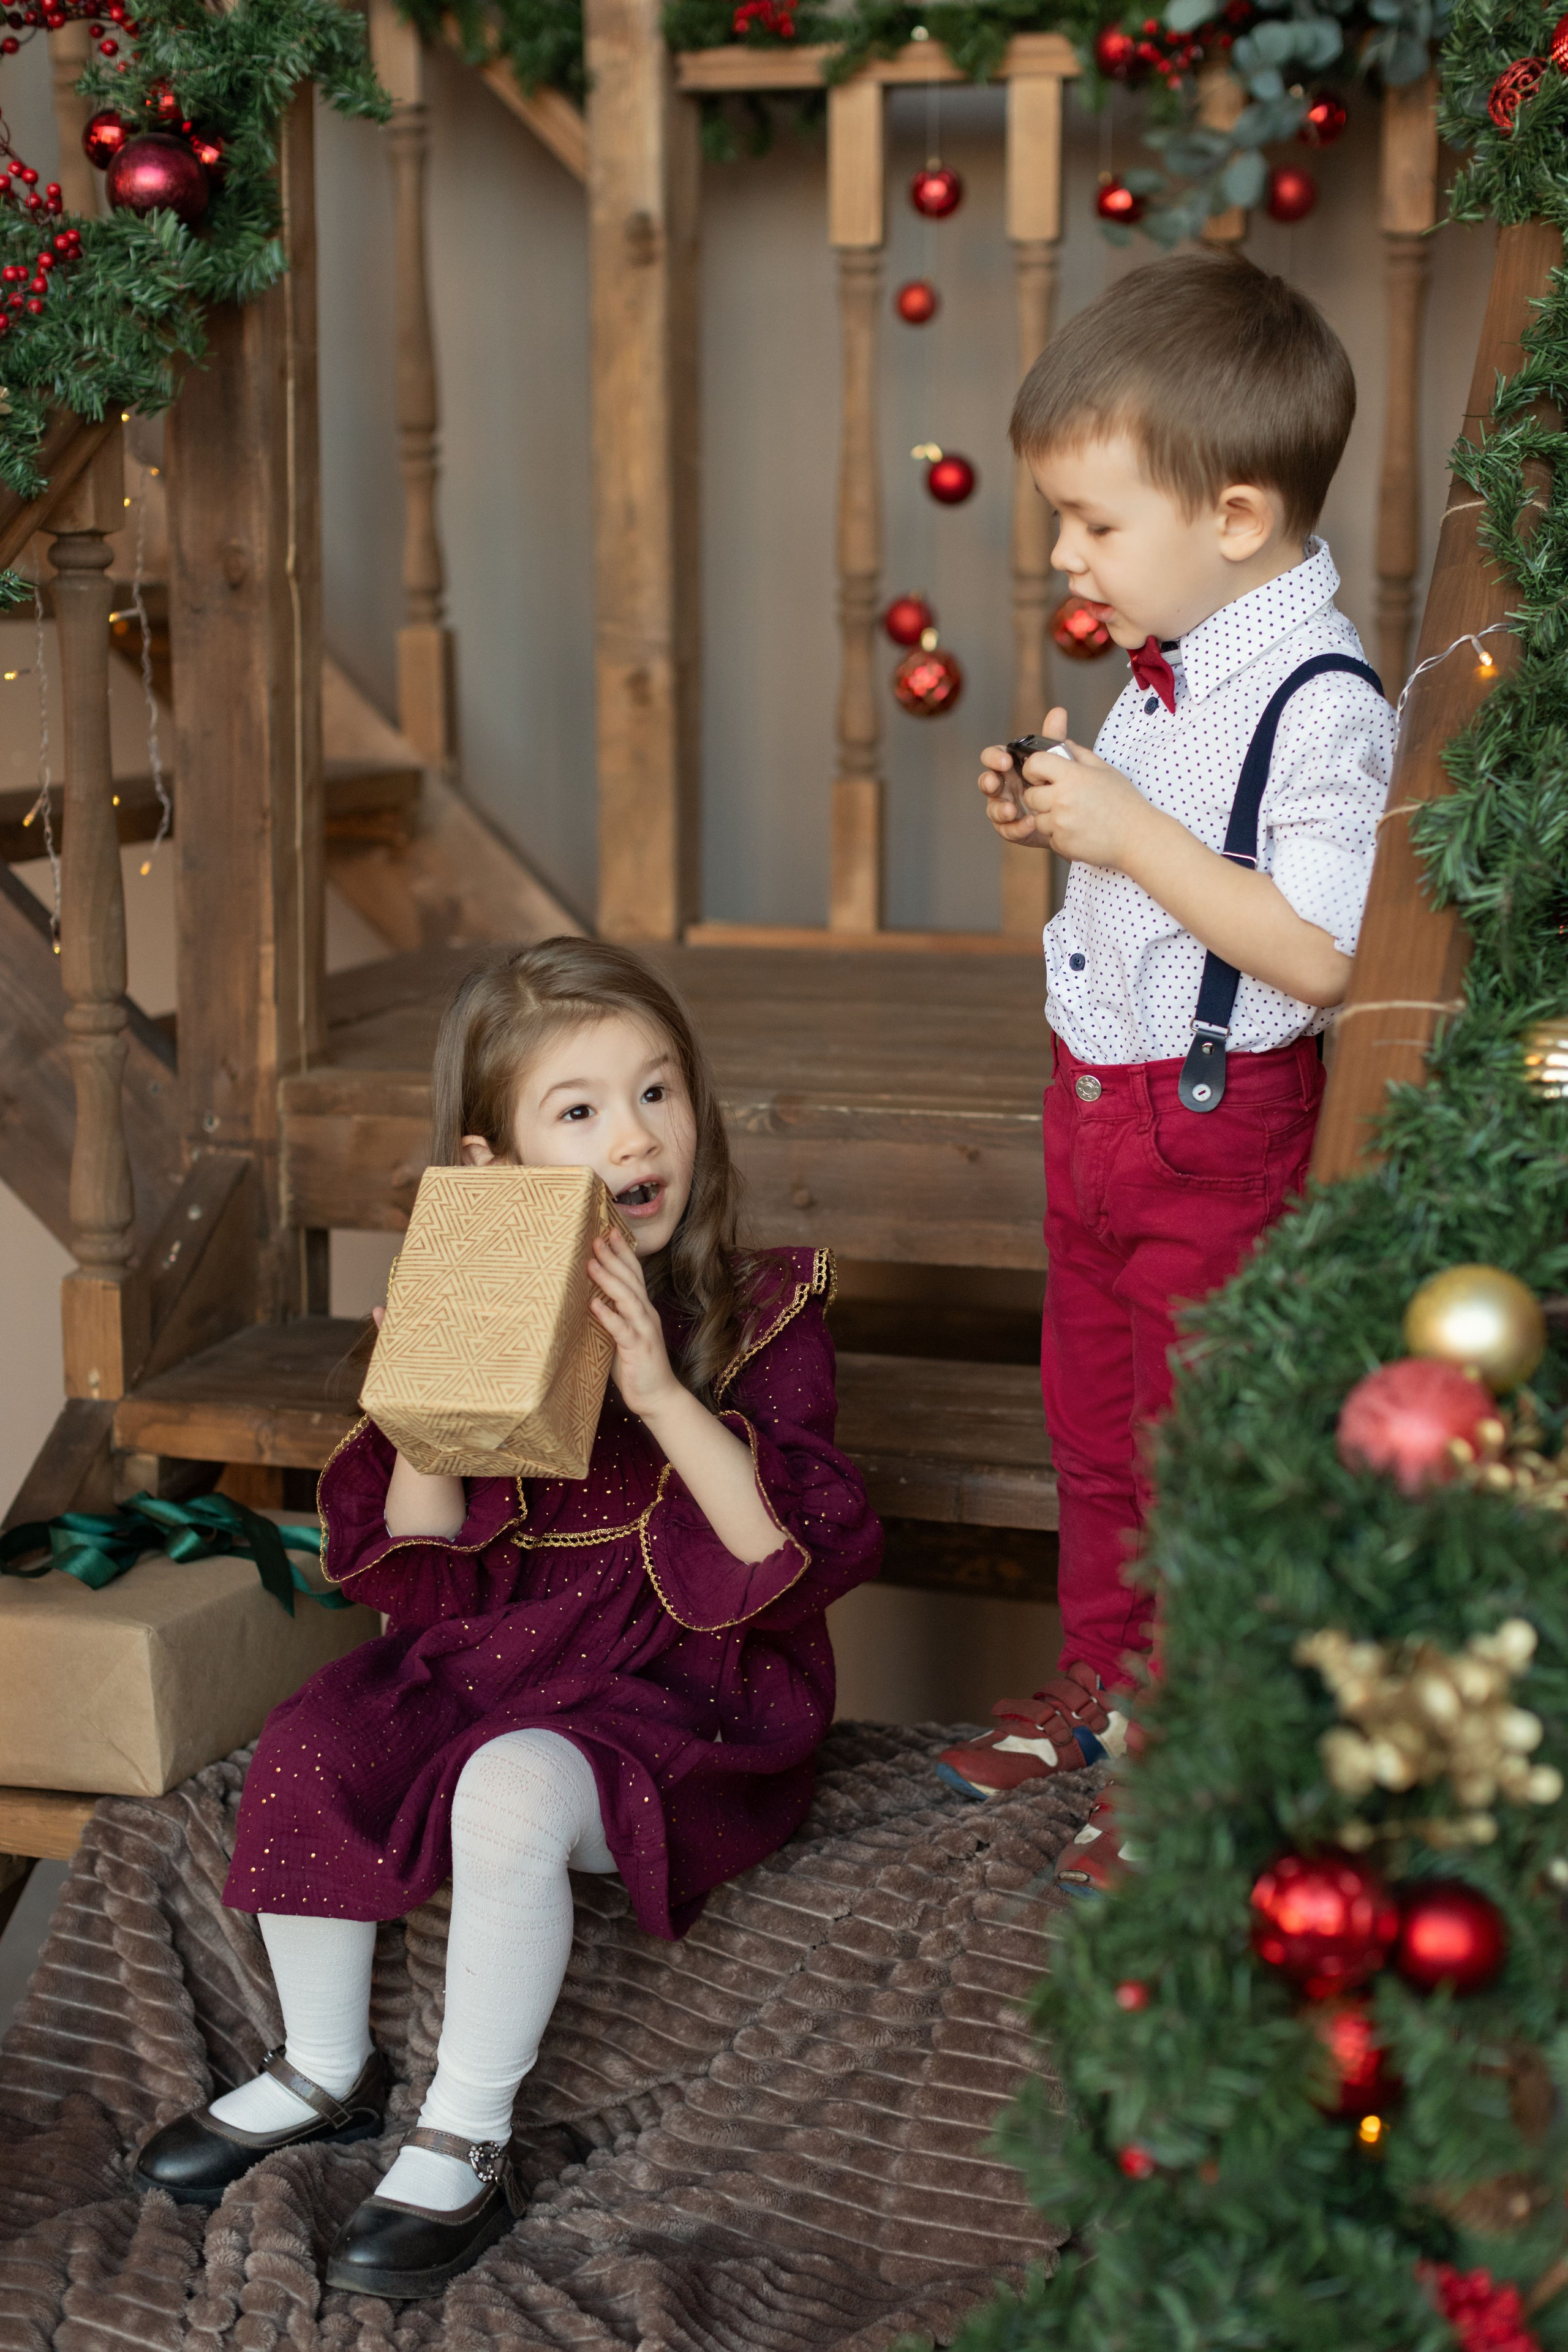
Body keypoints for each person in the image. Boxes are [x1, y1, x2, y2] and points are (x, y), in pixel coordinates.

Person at [135, 939, 882, 2297]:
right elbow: (413, 1558)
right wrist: (436, 1375)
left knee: (505, 1792)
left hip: (681, 1696)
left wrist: (658, 1389)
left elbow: (784, 1552)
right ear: (494, 1165)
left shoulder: (764, 1313)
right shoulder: (479, 1305)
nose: (635, 1136)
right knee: (312, 1735)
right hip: (495, 1659)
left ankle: (463, 2135)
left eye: (658, 1093)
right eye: (580, 1112)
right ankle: (324, 2064)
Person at [936, 253, 1395, 1868]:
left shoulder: (1324, 699)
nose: (1065, 555)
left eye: (1094, 522)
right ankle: (1109, 1684)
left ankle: (1191, 1753)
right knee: (1095, 1434)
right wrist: (1069, 807)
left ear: (1238, 518)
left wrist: (1124, 829)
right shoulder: (1173, 668)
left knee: (1202, 1459)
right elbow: (1149, 867)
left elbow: (1325, 953)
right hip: (1097, 1118)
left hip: (1216, 1134)